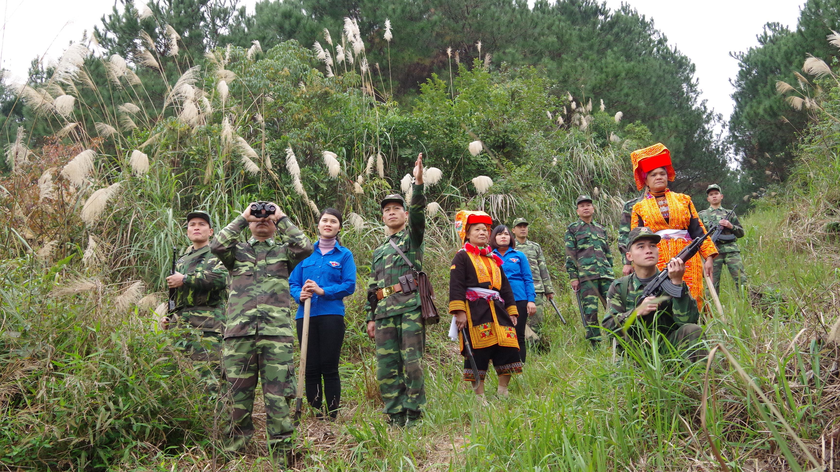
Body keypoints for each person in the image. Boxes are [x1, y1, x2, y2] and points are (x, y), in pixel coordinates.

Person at [211, 202, 313, 459]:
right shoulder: (236, 252)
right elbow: (217, 246)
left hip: (275, 336)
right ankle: (235, 456)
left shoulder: (283, 253)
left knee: (278, 399)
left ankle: (282, 457)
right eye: (257, 218)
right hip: (238, 336)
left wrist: (281, 217)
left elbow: (305, 246)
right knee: (236, 399)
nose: (262, 220)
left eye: (267, 218)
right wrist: (244, 217)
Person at [365, 153, 426, 427]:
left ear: (403, 213)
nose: (391, 212)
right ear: (383, 217)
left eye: (396, 208)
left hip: (410, 308)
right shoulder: (378, 251)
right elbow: (372, 286)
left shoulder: (412, 238)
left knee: (412, 364)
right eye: (387, 210)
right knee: (386, 368)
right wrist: (370, 317)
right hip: (384, 314)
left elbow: (418, 212)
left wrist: (418, 183)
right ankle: (395, 413)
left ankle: (413, 413)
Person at [628, 143, 718, 311]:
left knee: (693, 296)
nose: (659, 177)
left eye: (662, 173)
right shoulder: (638, 208)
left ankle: (696, 332)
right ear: (646, 180)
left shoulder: (684, 199)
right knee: (661, 300)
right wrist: (632, 263)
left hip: (687, 256)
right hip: (656, 258)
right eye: (653, 174)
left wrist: (709, 257)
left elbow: (697, 229)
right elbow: (636, 239)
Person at [289, 208, 356, 420]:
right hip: (305, 316)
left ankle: (333, 414)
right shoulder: (305, 254)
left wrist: (323, 291)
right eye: (324, 220)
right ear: (318, 225)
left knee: (329, 365)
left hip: (331, 316)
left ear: (339, 227)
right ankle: (316, 414)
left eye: (333, 221)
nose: (328, 224)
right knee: (310, 367)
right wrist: (299, 294)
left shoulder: (344, 255)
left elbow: (349, 285)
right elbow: (293, 282)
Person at [602, 227, 706, 362]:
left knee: (694, 330)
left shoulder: (673, 280)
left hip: (668, 348)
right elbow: (608, 327)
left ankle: (702, 379)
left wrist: (676, 282)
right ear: (629, 256)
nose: (648, 250)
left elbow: (688, 321)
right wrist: (637, 312)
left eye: (652, 246)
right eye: (641, 247)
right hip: (635, 353)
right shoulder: (620, 286)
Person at [450, 211, 521, 397]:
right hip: (475, 311)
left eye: (485, 230)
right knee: (478, 352)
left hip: (498, 310)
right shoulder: (462, 257)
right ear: (467, 233)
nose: (482, 233)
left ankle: (502, 389)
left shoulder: (493, 258)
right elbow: (456, 285)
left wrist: (512, 310)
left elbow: (504, 286)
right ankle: (479, 396)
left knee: (509, 347)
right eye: (477, 229)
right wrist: (460, 311)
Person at [164, 210, 228, 390]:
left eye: (202, 224)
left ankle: (220, 417)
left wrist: (185, 279)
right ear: (187, 231)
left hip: (208, 326)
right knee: (180, 377)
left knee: (210, 377)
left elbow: (221, 279)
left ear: (211, 231)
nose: (196, 228)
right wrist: (169, 317)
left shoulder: (218, 255)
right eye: (192, 225)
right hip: (181, 326)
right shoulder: (181, 261)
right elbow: (174, 296)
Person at [565, 195, 615, 346]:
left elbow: (607, 252)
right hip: (587, 277)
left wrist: (610, 270)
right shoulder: (573, 229)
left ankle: (616, 339)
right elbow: (570, 255)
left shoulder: (600, 228)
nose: (585, 208)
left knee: (613, 308)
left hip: (606, 275)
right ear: (577, 211)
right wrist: (573, 277)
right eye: (582, 206)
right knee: (590, 311)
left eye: (588, 205)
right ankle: (595, 343)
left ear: (593, 208)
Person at [490, 224, 536, 362]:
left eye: (506, 234)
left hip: (519, 298)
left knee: (518, 334)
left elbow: (528, 278)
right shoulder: (489, 256)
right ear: (493, 238)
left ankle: (520, 366)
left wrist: (531, 300)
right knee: (500, 334)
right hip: (497, 300)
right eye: (499, 234)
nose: (503, 236)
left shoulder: (519, 255)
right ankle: (503, 366)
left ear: (510, 237)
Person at [698, 184, 747, 293]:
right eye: (711, 194)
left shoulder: (729, 213)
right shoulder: (702, 215)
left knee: (741, 280)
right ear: (708, 198)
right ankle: (712, 308)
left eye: (716, 193)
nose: (714, 196)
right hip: (713, 252)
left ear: (721, 196)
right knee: (712, 283)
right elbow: (699, 234)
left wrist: (731, 226)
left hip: (731, 250)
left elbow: (741, 233)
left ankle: (747, 304)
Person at [511, 218, 555, 334]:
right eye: (519, 227)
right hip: (518, 290)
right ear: (513, 230)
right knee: (518, 321)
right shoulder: (510, 248)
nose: (523, 229)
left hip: (536, 289)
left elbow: (543, 268)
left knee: (536, 322)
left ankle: (537, 347)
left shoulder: (535, 246)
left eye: (525, 226)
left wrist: (548, 289)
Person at [618, 195, 643, 276]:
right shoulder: (631, 206)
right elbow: (624, 234)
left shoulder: (677, 201)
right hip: (641, 256)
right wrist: (627, 262)